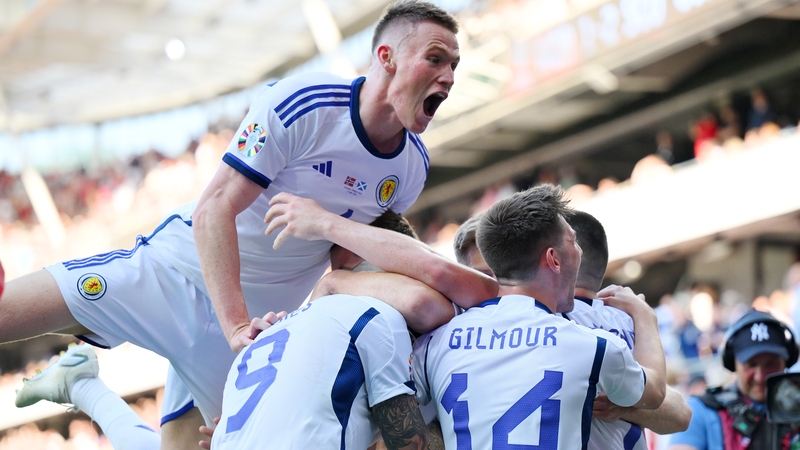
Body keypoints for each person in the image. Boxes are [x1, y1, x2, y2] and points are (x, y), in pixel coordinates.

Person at [0, 2, 485, 447]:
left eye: (454, 67)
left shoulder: (410, 169)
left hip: (257, 329)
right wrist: (232, 323)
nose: (448, 77)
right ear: (387, 57)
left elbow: (345, 259)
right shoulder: (306, 104)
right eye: (436, 59)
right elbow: (214, 209)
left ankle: (82, 384)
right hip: (176, 277)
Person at [17, 210, 449, 450]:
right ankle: (83, 386)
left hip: (235, 335)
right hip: (192, 293)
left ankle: (83, 386)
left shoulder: (292, 326)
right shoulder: (374, 318)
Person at [411, 184, 667, 449]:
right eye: (573, 241)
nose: (579, 251)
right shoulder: (593, 346)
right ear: (554, 259)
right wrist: (647, 318)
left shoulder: (435, 343)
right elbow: (656, 393)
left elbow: (383, 407)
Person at [562, 211, 691, 449]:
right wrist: (646, 316)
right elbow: (680, 413)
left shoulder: (549, 318)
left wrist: (625, 404)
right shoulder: (630, 319)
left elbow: (681, 414)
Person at [668, 309, 800, 450]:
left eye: (771, 363)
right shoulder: (703, 410)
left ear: (787, 361)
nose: (760, 376)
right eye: (751, 364)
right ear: (732, 363)